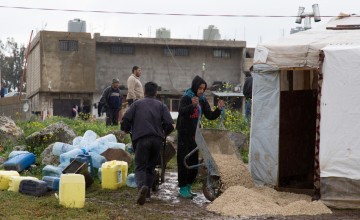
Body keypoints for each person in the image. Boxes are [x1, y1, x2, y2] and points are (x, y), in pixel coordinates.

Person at [121, 81, 174, 205]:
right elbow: (170, 125)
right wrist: (164, 133)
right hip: (157, 140)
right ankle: (148, 193)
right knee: (151, 167)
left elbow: (126, 120)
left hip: (141, 139)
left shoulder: (136, 104)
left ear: (144, 92)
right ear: (156, 93)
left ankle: (142, 189)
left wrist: (126, 129)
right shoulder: (161, 106)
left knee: (140, 166)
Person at [176, 75, 225, 199]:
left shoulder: (202, 100)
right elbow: (181, 112)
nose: (202, 91)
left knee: (193, 163)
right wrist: (192, 105)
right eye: (200, 88)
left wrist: (218, 110)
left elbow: (209, 115)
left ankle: (188, 186)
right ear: (195, 86)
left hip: (196, 136)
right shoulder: (187, 97)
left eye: (203, 88)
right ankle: (182, 188)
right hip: (184, 134)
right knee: (183, 161)